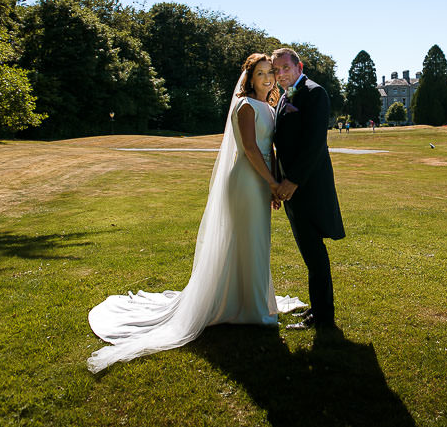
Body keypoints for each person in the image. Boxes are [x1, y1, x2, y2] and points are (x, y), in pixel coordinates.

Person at [86, 53, 303, 373]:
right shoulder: (245, 107)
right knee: (249, 241)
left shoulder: (269, 106)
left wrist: (271, 186)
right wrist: (272, 182)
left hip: (261, 184)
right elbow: (251, 149)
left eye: (270, 72)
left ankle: (250, 302)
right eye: (261, 73)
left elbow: (269, 149)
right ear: (250, 78)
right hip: (245, 182)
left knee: (256, 243)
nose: (268, 77)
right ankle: (252, 309)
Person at [271, 47, 345, 331]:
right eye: (276, 71)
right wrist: (278, 181)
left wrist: (292, 182)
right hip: (291, 188)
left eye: (285, 68)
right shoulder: (283, 96)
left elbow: (315, 143)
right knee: (310, 252)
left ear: (298, 66)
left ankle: (324, 316)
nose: (280, 75)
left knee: (314, 253)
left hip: (309, 187)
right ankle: (319, 310)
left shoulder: (315, 93)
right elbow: (284, 144)